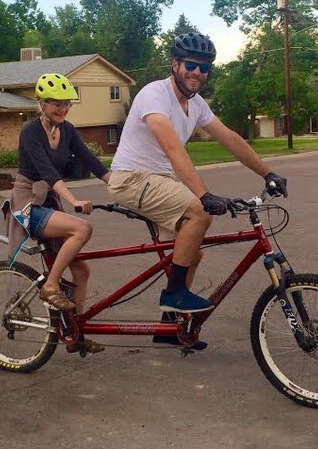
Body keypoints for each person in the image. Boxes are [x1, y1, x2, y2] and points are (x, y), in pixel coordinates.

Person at [108, 32, 288, 348]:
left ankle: (169, 327)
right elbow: (172, 147)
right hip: (132, 178)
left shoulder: (197, 104)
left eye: (204, 68)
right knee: (198, 214)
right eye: (190, 64)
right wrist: (203, 195)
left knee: (191, 254)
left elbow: (231, 138)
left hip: (159, 181)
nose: (197, 73)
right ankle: (175, 295)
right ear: (175, 64)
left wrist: (268, 172)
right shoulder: (154, 95)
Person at [6, 73, 110, 353]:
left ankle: (74, 333)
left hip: (49, 202)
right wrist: (74, 200)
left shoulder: (68, 130)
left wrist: (119, 185)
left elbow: (89, 159)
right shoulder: (30, 131)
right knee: (82, 228)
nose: (62, 109)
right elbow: (47, 172)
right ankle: (50, 286)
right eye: (55, 104)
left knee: (82, 270)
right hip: (28, 202)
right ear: (41, 104)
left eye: (66, 104)